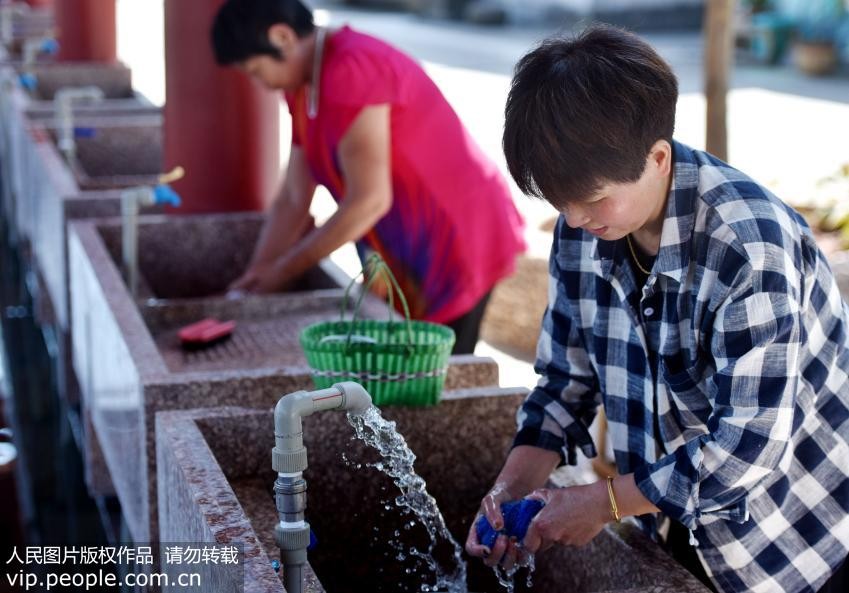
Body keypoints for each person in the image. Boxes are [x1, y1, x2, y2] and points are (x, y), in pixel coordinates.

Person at [465, 24, 849, 593]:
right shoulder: (583, 228)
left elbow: (744, 449)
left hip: (791, 540)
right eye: (558, 201)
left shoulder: (749, 249)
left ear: (658, 156)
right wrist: (510, 491)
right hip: (669, 519)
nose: (572, 221)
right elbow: (564, 383)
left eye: (591, 200)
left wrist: (602, 502)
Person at [210, 0, 526, 354]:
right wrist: (257, 276)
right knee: (404, 362)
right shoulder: (300, 85)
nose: (259, 84)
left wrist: (282, 271)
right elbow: (294, 196)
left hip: (455, 235)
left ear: (282, 37)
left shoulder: (351, 69)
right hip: (402, 244)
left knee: (434, 371)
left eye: (255, 70)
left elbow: (368, 201)